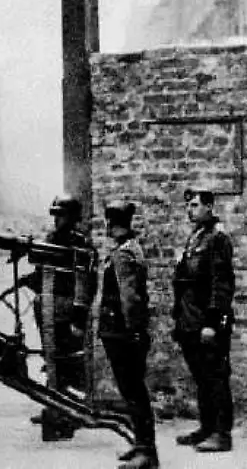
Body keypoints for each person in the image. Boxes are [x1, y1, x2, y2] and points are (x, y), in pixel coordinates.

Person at [24, 193, 97, 440]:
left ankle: (67, 414)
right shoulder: (50, 241)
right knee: (51, 358)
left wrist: (78, 318)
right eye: (56, 216)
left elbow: (85, 284)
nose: (58, 221)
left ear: (74, 218)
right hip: (47, 308)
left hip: (67, 310)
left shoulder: (80, 244)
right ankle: (52, 403)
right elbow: (42, 275)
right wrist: (31, 281)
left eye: (63, 216)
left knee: (68, 361)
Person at [172, 188, 235, 453]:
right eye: (188, 205)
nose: (190, 210)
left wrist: (212, 322)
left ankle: (222, 435)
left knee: (216, 377)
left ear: (209, 207)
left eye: (196, 205)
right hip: (190, 321)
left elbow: (221, 285)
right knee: (201, 377)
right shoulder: (196, 237)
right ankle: (206, 428)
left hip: (206, 323)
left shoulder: (217, 239)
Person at [99, 201, 160, 469]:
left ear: (111, 224)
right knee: (132, 391)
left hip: (122, 333)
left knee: (133, 392)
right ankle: (140, 444)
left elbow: (130, 298)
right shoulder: (129, 249)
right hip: (124, 332)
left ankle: (147, 452)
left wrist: (133, 331)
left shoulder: (123, 254)